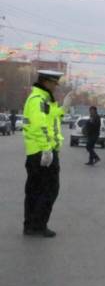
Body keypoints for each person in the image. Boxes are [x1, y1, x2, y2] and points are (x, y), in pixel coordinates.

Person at [22, 69, 66, 237]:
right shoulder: (38, 100)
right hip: (42, 152)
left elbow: (51, 119)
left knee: (35, 190)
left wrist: (64, 108)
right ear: (46, 82)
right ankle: (38, 225)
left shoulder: (42, 100)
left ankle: (31, 226)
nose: (55, 87)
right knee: (49, 190)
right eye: (54, 83)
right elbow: (39, 127)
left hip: (37, 152)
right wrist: (46, 148)